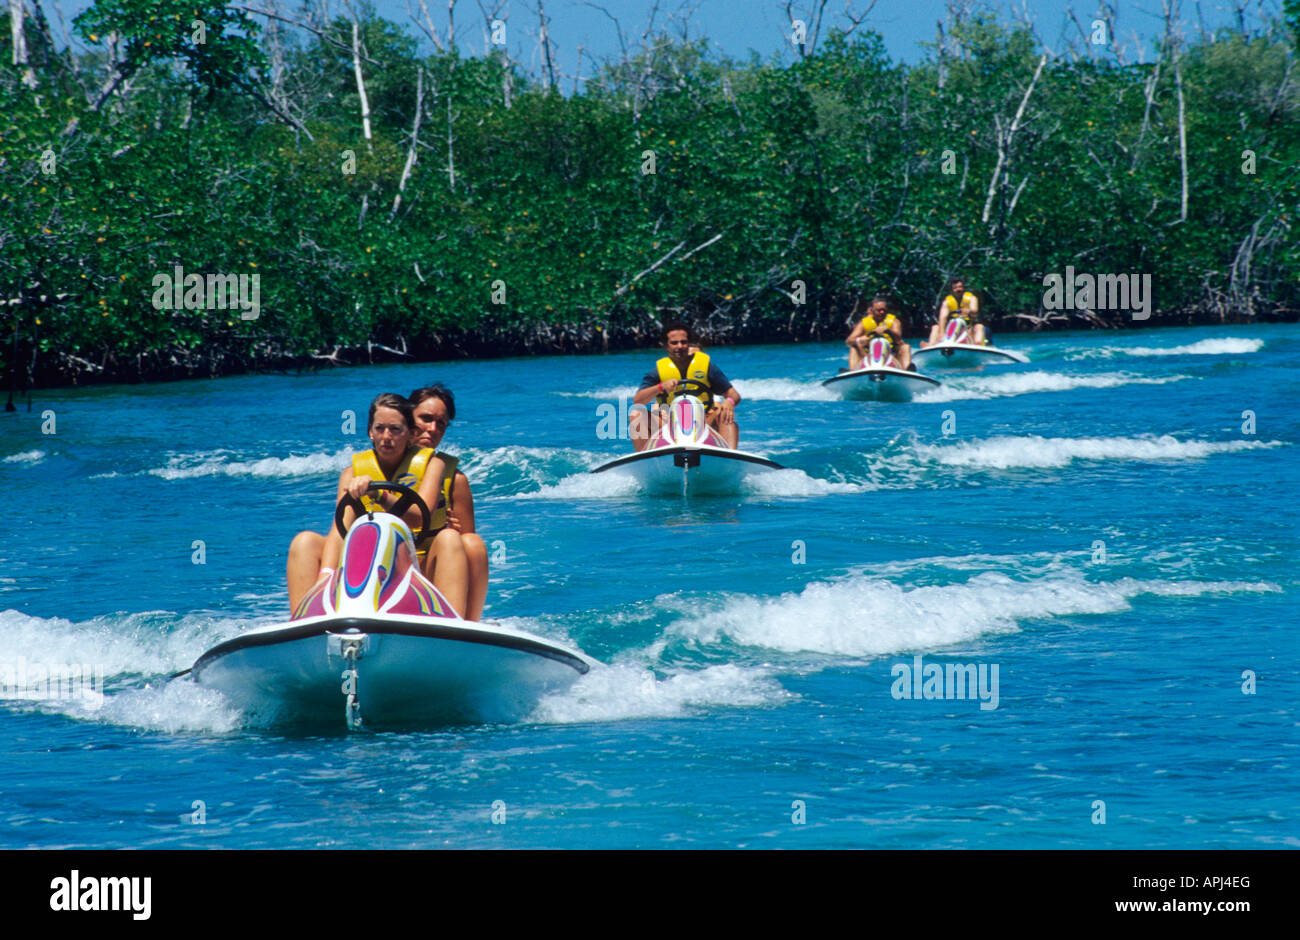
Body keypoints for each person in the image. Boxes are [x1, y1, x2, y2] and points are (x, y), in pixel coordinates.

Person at [285, 393, 468, 617]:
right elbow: (339, 532)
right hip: (369, 564)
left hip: (419, 562)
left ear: (410, 434)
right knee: (304, 541)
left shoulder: (434, 464)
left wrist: (377, 493)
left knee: (452, 538)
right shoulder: (352, 473)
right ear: (370, 432)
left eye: (395, 430)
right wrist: (325, 575)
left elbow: (420, 516)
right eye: (379, 429)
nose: (386, 437)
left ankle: (455, 628)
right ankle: (303, 624)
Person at [408, 384, 490, 622]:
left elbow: (467, 546)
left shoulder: (456, 479)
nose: (432, 429)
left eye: (441, 424)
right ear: (406, 416)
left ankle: (466, 626)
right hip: (388, 567)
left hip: (433, 569)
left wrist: (450, 531)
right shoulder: (378, 468)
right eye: (425, 419)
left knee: (471, 543)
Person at [630, 323, 741, 450]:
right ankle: (644, 458)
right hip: (668, 423)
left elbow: (734, 395)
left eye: (684, 342)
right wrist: (660, 387)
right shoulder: (656, 373)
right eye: (674, 343)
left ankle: (730, 458)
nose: (680, 346)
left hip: (704, 421)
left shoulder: (708, 368)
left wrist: (729, 402)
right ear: (665, 345)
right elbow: (638, 400)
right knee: (636, 414)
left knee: (725, 413)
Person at [844, 296, 913, 370]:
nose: (882, 312)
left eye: (884, 310)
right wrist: (860, 340)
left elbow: (898, 340)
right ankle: (853, 372)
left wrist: (888, 331)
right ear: (872, 310)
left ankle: (906, 370)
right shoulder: (863, 323)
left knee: (905, 346)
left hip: (891, 354)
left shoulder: (894, 321)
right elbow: (848, 341)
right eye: (879, 310)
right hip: (867, 354)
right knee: (853, 348)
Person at [923, 278, 986, 346]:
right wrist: (941, 334)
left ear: (963, 288)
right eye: (955, 288)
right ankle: (931, 344)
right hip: (952, 327)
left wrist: (968, 311)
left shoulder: (972, 298)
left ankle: (978, 344)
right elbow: (942, 318)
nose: (958, 289)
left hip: (968, 326)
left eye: (960, 287)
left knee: (979, 326)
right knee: (935, 327)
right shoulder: (947, 302)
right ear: (952, 290)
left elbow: (974, 310)